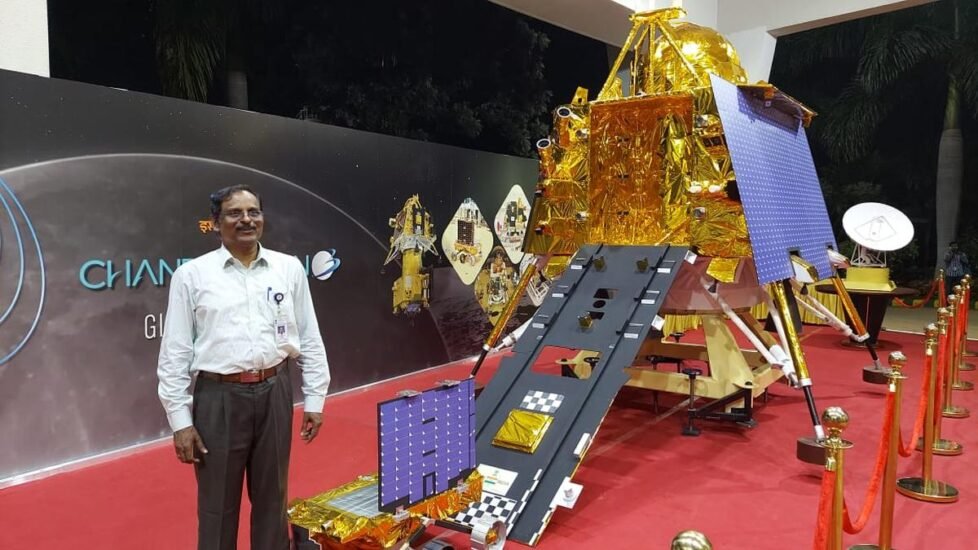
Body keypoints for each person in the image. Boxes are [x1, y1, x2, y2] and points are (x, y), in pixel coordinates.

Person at [158, 184, 330, 550]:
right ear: (215, 223)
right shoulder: (192, 276)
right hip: (218, 398)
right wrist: (180, 422)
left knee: (273, 500)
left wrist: (315, 398)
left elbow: (309, 336)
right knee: (217, 506)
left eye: (254, 211)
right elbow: (174, 352)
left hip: (275, 391)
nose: (246, 220)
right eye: (235, 213)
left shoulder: (288, 269)